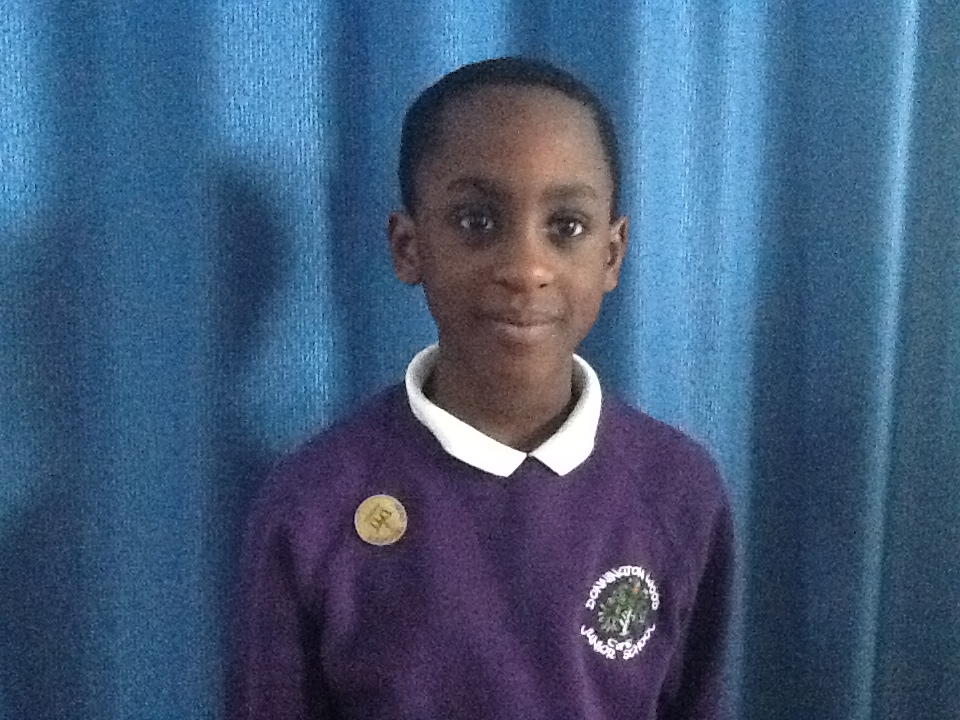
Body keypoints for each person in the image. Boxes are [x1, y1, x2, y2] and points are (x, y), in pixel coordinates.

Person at [229, 57, 733, 719]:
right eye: (476, 222)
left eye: (566, 227)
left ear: (612, 254)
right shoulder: (312, 505)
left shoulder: (678, 490)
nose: (525, 267)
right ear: (409, 246)